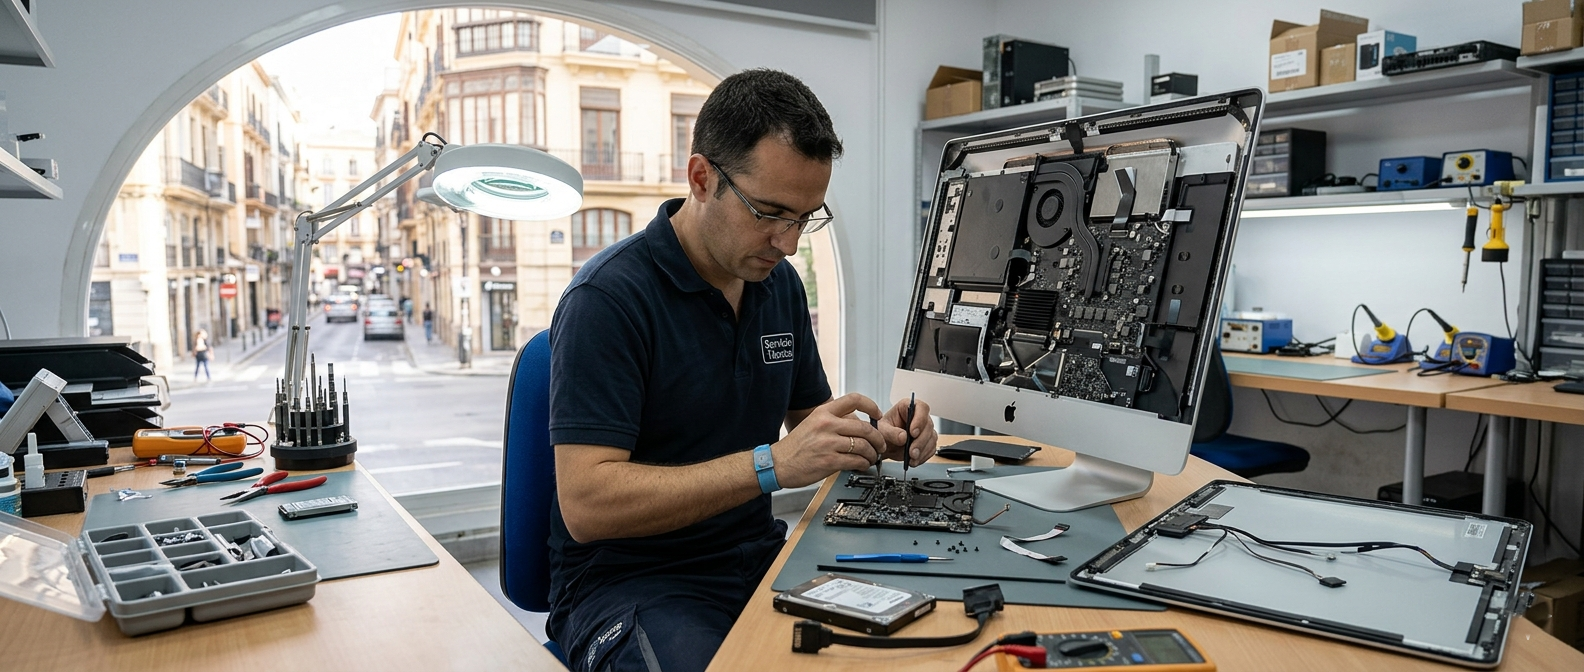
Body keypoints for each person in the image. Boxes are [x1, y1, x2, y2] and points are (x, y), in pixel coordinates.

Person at [547, 69, 939, 672]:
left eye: (807, 217)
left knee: (916, 647)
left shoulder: (775, 284)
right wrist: (772, 465)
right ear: (702, 178)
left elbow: (812, 426)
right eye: (770, 213)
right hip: (632, 585)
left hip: (757, 563)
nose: (788, 242)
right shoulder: (608, 299)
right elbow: (587, 504)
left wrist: (881, 438)